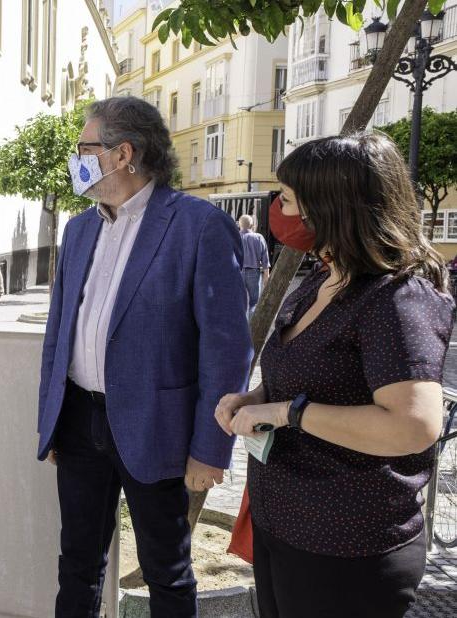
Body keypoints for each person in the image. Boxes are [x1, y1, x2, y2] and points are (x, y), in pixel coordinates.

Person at [215, 133, 454, 618]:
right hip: (285, 525)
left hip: (348, 548)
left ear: (330, 207)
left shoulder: (396, 297)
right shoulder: (324, 278)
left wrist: (286, 412)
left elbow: (413, 426)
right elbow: (312, 374)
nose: (275, 210)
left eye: (286, 199)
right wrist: (256, 396)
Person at [38, 96, 252, 617]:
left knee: (167, 572)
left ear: (122, 153)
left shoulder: (198, 226)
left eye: (84, 147)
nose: (76, 158)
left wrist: (209, 449)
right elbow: (59, 331)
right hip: (79, 422)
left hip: (157, 426)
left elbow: (226, 348)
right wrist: (51, 420)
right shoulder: (80, 228)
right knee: (77, 564)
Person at [239, 214, 270, 319]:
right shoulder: (259, 237)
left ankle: (242, 331)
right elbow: (265, 258)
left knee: (240, 304)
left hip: (238, 273)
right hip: (254, 273)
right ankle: (252, 330)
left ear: (239, 224)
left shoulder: (235, 237)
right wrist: (266, 275)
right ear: (252, 225)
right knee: (254, 303)